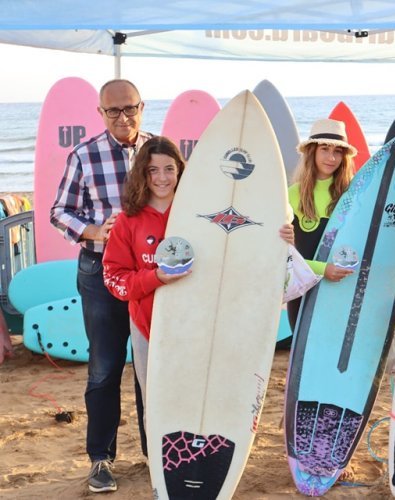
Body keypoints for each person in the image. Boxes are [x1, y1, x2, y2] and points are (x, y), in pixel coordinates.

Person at [102, 136, 295, 417]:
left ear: (181, 171)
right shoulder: (128, 221)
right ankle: (156, 460)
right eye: (153, 170)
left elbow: (243, 245)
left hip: (203, 326)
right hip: (148, 326)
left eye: (169, 169)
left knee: (201, 403)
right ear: (142, 173)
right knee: (156, 405)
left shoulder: (205, 213)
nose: (162, 178)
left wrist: (281, 235)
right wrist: (155, 277)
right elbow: (114, 280)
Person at [50, 79, 152, 493]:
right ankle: (101, 460)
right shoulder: (84, 154)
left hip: (152, 275)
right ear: (100, 113)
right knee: (105, 368)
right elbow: (59, 211)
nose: (124, 118)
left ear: (142, 107)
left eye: (130, 108)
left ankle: (157, 450)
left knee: (153, 368)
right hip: (100, 271)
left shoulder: (158, 152)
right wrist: (93, 230)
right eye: (114, 111)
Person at [286, 119, 357, 338]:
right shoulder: (293, 194)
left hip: (342, 288)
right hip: (303, 292)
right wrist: (322, 269)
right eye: (324, 149)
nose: (331, 157)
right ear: (311, 152)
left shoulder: (354, 194)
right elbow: (286, 258)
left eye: (337, 151)